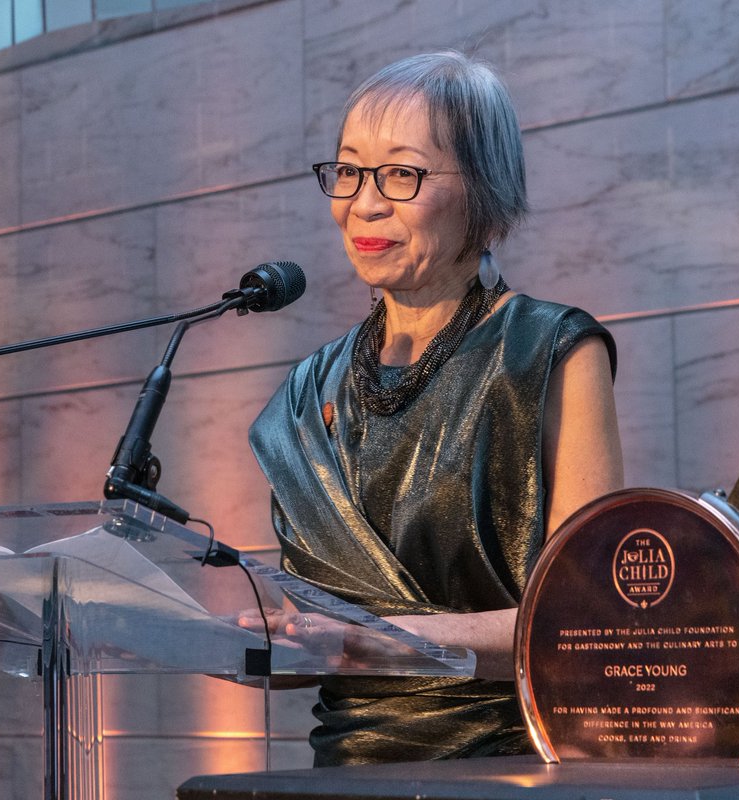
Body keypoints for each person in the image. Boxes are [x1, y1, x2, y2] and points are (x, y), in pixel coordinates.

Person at [248, 51, 623, 766]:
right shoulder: (309, 390)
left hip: (503, 767)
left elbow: (588, 625)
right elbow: (326, 636)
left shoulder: (551, 351)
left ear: (482, 188)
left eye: (401, 173)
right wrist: (266, 641)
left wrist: (377, 640)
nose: (363, 203)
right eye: (349, 170)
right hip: (342, 772)